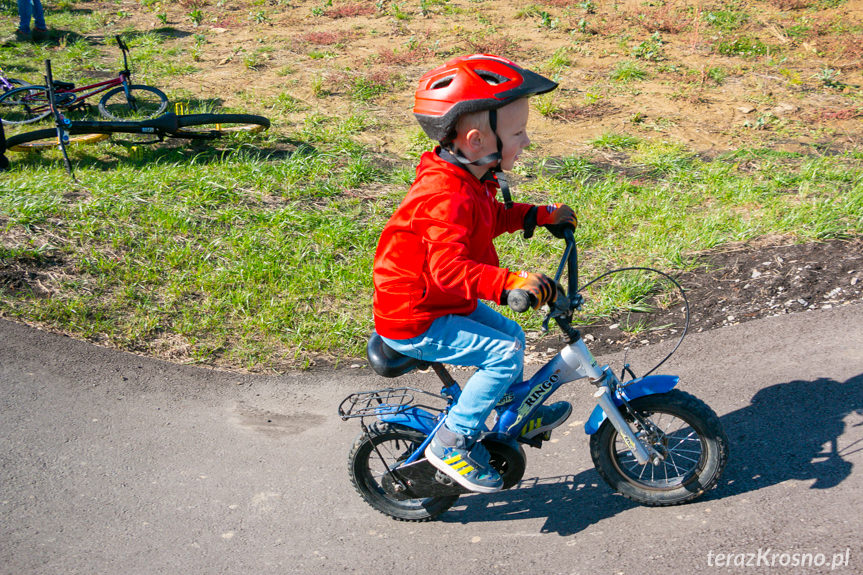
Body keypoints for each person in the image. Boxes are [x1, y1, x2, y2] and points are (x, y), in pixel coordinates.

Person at [372, 54, 578, 494]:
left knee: (512, 337)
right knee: (502, 354)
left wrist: (539, 216)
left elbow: (487, 220)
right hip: (415, 317)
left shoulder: (470, 177)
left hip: (440, 304)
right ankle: (450, 444)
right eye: (518, 133)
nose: (526, 141)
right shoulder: (445, 196)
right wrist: (510, 282)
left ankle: (509, 412)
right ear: (475, 138)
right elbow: (448, 269)